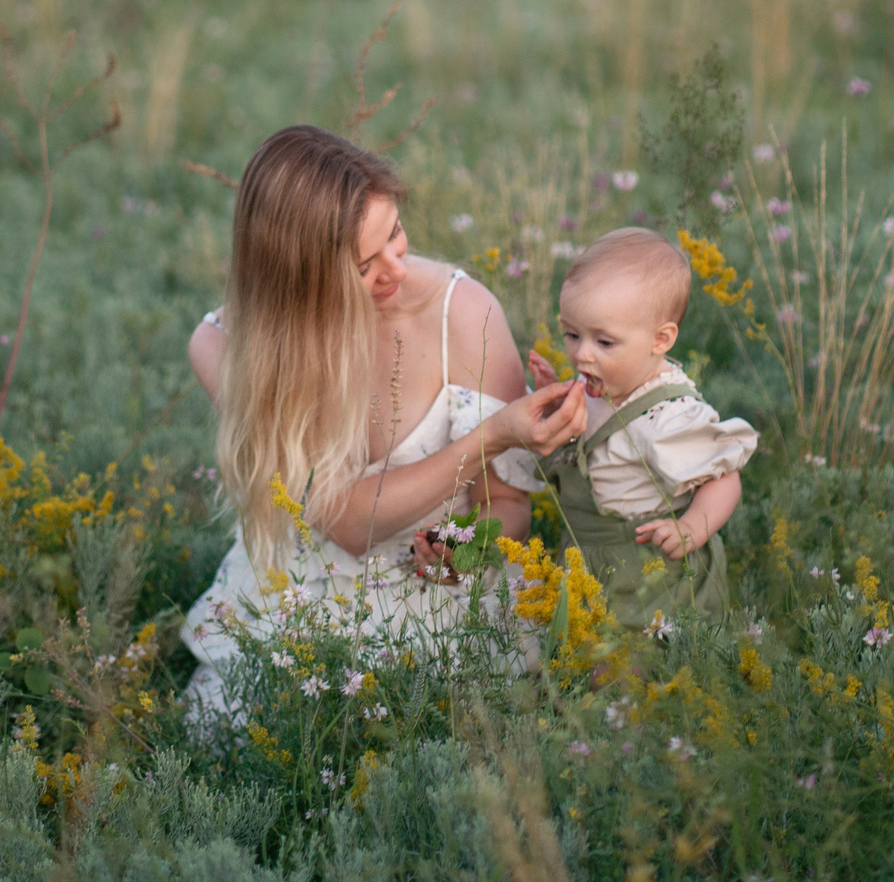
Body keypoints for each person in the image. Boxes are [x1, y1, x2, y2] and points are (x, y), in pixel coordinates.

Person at [177, 125, 585, 711]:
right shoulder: (226, 345)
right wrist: (493, 435)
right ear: (300, 281)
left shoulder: (463, 315)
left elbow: (510, 508)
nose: (396, 267)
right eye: (364, 266)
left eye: (395, 234)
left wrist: (464, 555)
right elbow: (341, 520)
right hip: (295, 604)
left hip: (437, 611)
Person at [511, 227, 758, 625]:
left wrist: (692, 527)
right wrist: (555, 405)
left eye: (604, 342)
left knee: (632, 665)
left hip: (648, 570)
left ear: (660, 340)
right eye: (571, 335)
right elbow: (577, 454)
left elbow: (724, 478)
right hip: (587, 560)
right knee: (574, 657)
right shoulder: (596, 389)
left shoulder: (669, 416)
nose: (581, 354)